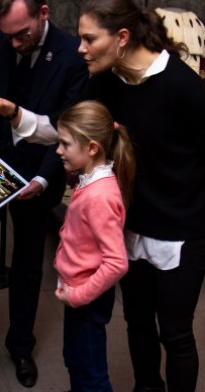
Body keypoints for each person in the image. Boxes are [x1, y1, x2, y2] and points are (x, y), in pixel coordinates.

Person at [0, 0, 205, 392]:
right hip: (134, 223)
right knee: (137, 322)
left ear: (122, 38)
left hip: (183, 228)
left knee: (175, 333)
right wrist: (13, 112)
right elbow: (68, 132)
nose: (80, 48)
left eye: (89, 39)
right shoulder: (105, 82)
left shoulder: (181, 85)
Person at [0, 0, 88, 388]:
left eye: (22, 34)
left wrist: (47, 182)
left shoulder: (70, 53)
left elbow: (67, 129)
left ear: (42, 13)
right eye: (5, 34)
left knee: (30, 268)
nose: (13, 43)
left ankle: (21, 346)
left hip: (37, 174)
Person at [54, 101, 133, 392]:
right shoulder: (88, 182)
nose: (58, 150)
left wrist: (78, 296)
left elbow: (116, 263)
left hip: (86, 296)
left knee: (91, 375)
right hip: (78, 290)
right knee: (75, 359)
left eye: (64, 144)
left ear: (92, 148)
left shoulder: (99, 195)